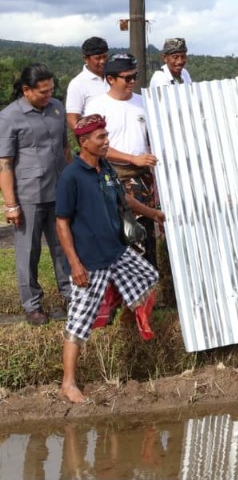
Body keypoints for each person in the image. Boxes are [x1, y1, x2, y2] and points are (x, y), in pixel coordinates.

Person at [56, 114, 163, 403]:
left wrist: (154, 214)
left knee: (149, 276)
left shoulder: (105, 168)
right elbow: (62, 223)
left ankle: (121, 310)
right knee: (78, 322)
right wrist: (75, 264)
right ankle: (68, 383)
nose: (107, 142)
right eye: (101, 137)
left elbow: (124, 200)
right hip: (90, 260)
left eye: (106, 136)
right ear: (84, 142)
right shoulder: (71, 176)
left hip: (116, 251)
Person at [0, 63, 73, 325]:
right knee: (28, 251)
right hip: (28, 196)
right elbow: (5, 163)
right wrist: (11, 204)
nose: (48, 95)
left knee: (63, 246)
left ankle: (70, 294)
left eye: (51, 90)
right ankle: (32, 305)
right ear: (26, 90)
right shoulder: (9, 116)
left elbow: (65, 149)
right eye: (43, 91)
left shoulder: (57, 108)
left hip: (58, 191)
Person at [83, 54, 160, 268]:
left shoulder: (143, 103)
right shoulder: (97, 107)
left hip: (142, 178)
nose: (132, 81)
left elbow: (153, 140)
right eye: (127, 78)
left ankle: (147, 283)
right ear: (111, 79)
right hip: (113, 177)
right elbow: (95, 147)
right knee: (120, 234)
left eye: (135, 76)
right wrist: (131, 158)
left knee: (144, 234)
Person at [65, 37, 110, 130]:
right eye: (97, 58)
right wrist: (88, 138)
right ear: (86, 59)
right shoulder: (77, 84)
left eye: (105, 57)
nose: (102, 61)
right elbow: (72, 119)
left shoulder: (115, 78)